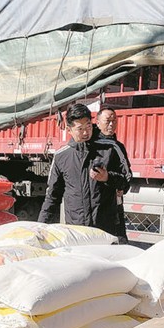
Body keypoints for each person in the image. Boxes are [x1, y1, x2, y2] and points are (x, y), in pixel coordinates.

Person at [37, 103, 130, 238]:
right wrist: (40, 228)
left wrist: (107, 177)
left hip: (106, 231)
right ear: (69, 129)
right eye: (80, 129)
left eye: (88, 126)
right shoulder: (61, 156)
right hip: (76, 232)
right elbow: (52, 197)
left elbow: (126, 182)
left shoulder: (111, 149)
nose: (86, 133)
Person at [93, 105, 133, 243]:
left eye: (114, 121)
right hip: (88, 209)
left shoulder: (117, 147)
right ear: (98, 122)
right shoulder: (88, 145)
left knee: (116, 244)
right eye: (108, 121)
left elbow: (127, 177)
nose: (111, 124)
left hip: (111, 207)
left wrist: (109, 178)